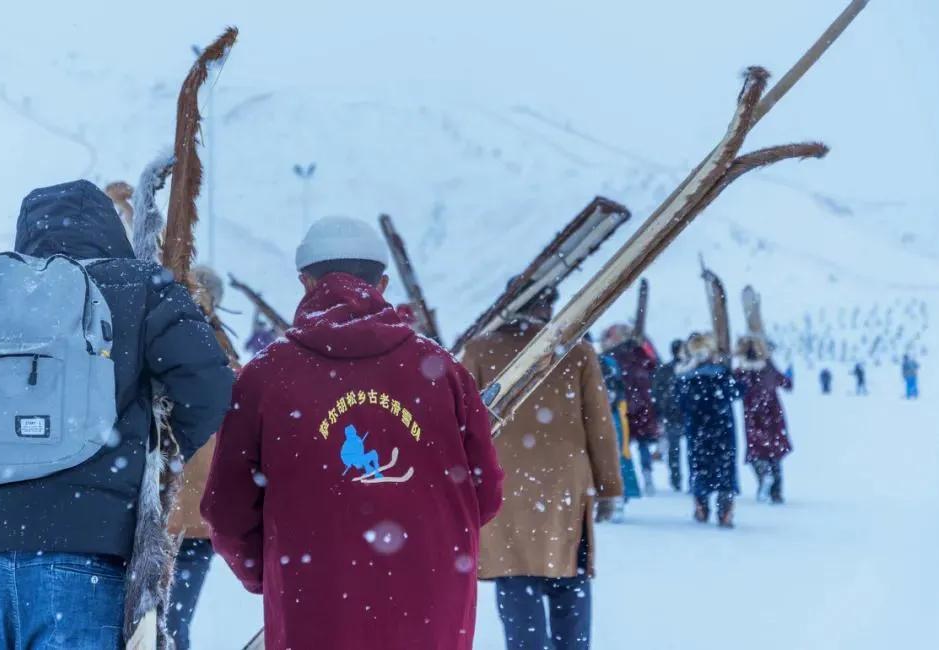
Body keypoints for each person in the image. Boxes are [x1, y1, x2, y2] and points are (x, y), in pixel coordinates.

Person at [0, 180, 233, 649]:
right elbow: (209, 388)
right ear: (110, 230)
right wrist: (156, 458)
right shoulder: (143, 288)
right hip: (83, 553)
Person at [200, 216, 503, 650]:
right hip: (432, 604)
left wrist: (276, 571)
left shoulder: (265, 377)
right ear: (382, 284)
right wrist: (430, 550)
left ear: (306, 283)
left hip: (312, 604)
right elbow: (485, 492)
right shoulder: (443, 372)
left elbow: (227, 509)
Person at [462, 289, 622, 650]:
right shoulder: (575, 351)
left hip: (505, 491)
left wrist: (462, 487)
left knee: (517, 583)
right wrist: (609, 486)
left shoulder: (480, 350)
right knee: (570, 580)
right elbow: (599, 425)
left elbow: (463, 425)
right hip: (566, 491)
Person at [166, 264, 242, 650]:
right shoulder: (222, 349)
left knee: (154, 624)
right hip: (199, 514)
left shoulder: (165, 333)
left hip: (164, 511)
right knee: (173, 624)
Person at [675, 332, 743, 528]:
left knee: (699, 469)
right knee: (725, 471)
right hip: (723, 429)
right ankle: (725, 511)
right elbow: (737, 391)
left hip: (697, 431)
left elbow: (680, 402)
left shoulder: (686, 377)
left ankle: (702, 507)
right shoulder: (721, 373)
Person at [600, 324, 660, 495]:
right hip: (640, 403)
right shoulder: (640, 353)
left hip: (624, 404)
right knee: (639, 443)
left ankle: (628, 482)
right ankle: (645, 477)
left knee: (623, 445)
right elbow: (654, 368)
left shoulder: (613, 356)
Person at [734, 336, 793, 504]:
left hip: (752, 414)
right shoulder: (768, 367)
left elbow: (734, 390)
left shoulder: (741, 371)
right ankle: (776, 493)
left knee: (756, 450)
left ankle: (763, 477)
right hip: (773, 414)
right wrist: (788, 374)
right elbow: (787, 384)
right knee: (774, 452)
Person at [598, 350, 641, 520]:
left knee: (613, 457)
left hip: (608, 415)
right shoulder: (607, 364)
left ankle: (615, 499)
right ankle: (614, 499)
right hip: (608, 414)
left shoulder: (605, 364)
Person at [652, 339, 688, 491]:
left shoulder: (666, 369)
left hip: (674, 414)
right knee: (678, 449)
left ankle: (676, 479)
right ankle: (677, 479)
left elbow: (657, 391)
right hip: (679, 414)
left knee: (675, 449)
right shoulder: (685, 368)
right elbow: (657, 391)